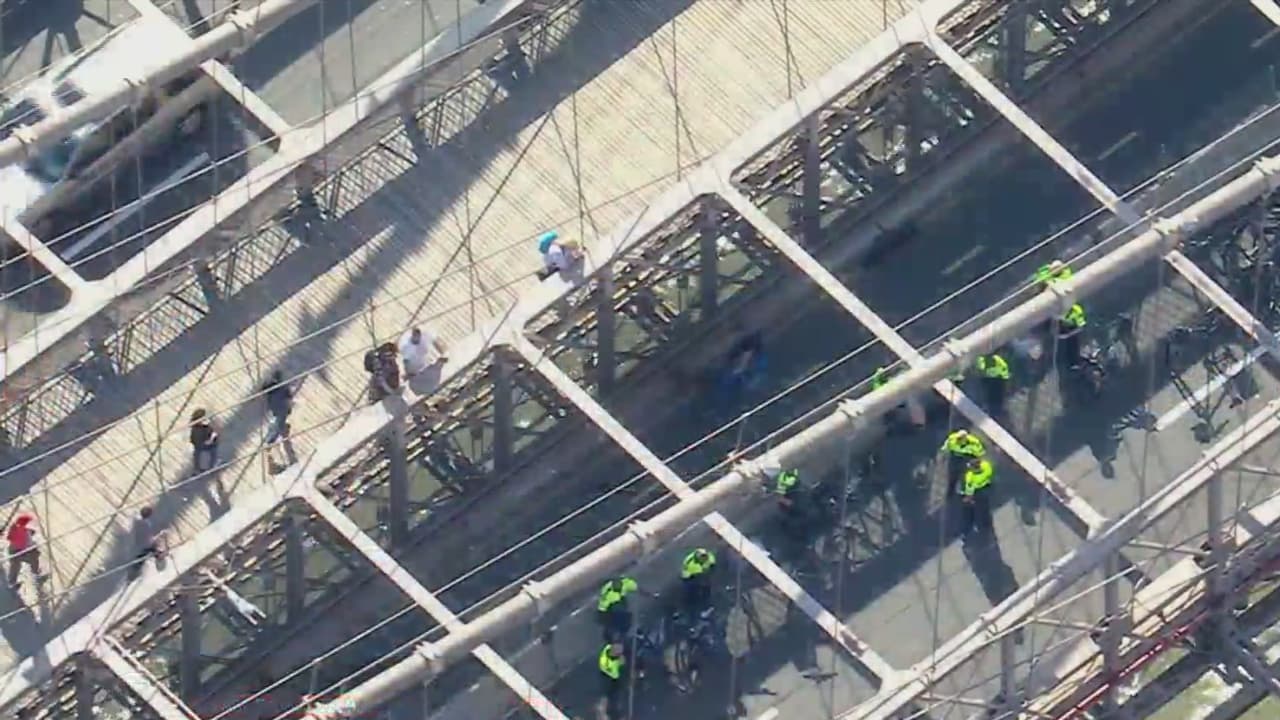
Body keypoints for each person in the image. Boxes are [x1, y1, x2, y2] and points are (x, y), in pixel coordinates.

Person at [941, 429, 986, 495]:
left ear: (965, 439)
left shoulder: (974, 443)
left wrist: (975, 461)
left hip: (967, 458)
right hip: (955, 457)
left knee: (965, 475)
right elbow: (946, 446)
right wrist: (943, 454)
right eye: (958, 438)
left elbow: (980, 452)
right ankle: (951, 490)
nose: (958, 440)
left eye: (960, 439)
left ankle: (963, 490)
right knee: (952, 474)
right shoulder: (952, 439)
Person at [960, 456, 995, 540]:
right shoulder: (986, 467)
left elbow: (969, 490)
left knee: (974, 510)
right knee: (985, 508)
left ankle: (974, 526)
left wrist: (967, 499)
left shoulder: (971, 478)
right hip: (986, 489)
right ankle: (987, 524)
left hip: (977, 493)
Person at [6, 513, 42, 590]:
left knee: (15, 567)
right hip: (18, 551)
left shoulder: (17, 527)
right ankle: (35, 575)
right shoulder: (21, 531)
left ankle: (12, 583)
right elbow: (25, 542)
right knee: (32, 559)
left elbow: (10, 537)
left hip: (15, 550)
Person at [596, 576, 638, 642]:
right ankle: (621, 634)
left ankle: (615, 631)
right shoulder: (612, 596)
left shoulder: (624, 584)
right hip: (607, 610)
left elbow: (637, 588)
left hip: (605, 609)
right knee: (624, 619)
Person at [680, 548, 717, 616]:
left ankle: (707, 605)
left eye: (704, 557)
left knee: (706, 588)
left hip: (703, 574)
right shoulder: (690, 563)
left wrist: (710, 570)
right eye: (702, 558)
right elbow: (686, 574)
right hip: (691, 576)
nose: (703, 559)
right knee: (691, 591)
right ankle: (689, 604)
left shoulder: (709, 557)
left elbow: (712, 563)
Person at [262, 370, 294, 445]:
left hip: (275, 406)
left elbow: (264, 389)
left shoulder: (271, 385)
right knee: (278, 422)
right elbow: (289, 396)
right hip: (282, 407)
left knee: (277, 421)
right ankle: (271, 439)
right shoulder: (283, 386)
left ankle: (273, 436)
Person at [598, 642, 627, 719]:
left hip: (612, 678)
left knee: (610, 697)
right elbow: (614, 673)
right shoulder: (607, 662)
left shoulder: (608, 648)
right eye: (618, 650)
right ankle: (602, 712)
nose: (621, 650)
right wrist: (620, 663)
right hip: (609, 678)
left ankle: (604, 710)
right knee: (608, 695)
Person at [1057, 302, 1087, 370]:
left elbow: (1081, 327)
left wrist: (1067, 335)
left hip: (1070, 331)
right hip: (1062, 328)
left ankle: (1073, 362)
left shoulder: (1076, 310)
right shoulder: (1058, 308)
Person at [189, 408, 219, 473]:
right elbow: (203, 443)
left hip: (206, 448)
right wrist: (212, 438)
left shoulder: (202, 427)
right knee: (206, 458)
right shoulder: (198, 431)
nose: (207, 420)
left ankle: (210, 464)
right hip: (205, 449)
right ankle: (209, 466)